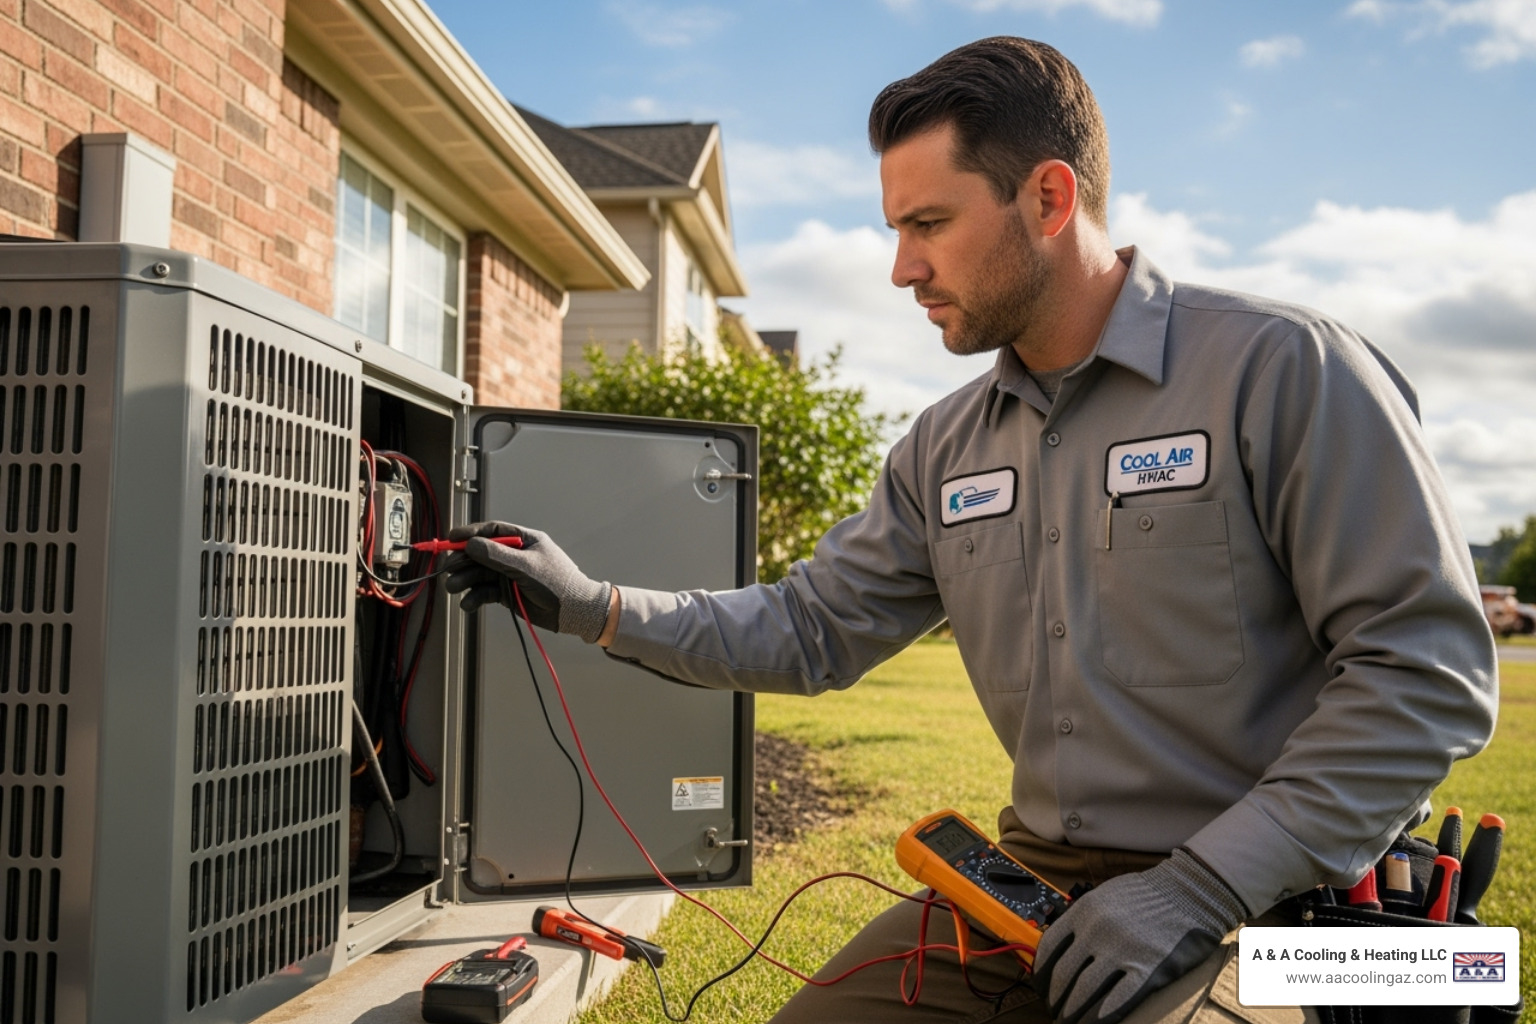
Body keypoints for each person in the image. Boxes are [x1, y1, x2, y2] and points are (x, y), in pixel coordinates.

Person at [443, 37, 1497, 1024]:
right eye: (896, 229)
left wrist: (1199, 886)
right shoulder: (945, 449)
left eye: (930, 224)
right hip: (1032, 892)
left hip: (1280, 903)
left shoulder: (1284, 371)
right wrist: (597, 608)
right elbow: (809, 626)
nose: (902, 267)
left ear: (1048, 197)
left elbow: (1426, 674)